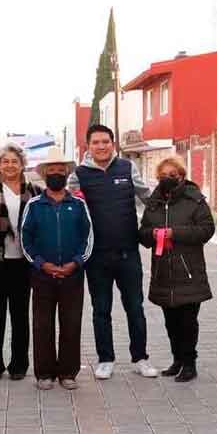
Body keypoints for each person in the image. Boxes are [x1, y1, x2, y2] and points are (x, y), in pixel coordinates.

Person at [67, 124, 154, 380]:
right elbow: (69, 203)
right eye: (96, 142)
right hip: (96, 256)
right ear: (88, 146)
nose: (101, 146)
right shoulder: (79, 175)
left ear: (113, 143)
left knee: (135, 308)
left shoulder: (127, 168)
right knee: (101, 309)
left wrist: (176, 200)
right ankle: (105, 359)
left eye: (106, 141)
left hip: (128, 252)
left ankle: (140, 358)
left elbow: (148, 197)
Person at [137, 156, 215, 383]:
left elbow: (206, 230)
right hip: (163, 273)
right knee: (171, 321)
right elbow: (142, 233)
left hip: (189, 272)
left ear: (182, 177)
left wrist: (175, 233)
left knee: (188, 321)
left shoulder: (195, 200)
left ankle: (190, 363)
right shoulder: (153, 203)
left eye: (173, 176)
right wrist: (151, 234)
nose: (168, 180)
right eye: (163, 176)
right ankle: (177, 360)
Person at [21, 149, 94, 390]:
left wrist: (76, 262)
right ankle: (44, 373)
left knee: (71, 324)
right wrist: (43, 264)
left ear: (66, 174)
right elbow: (25, 239)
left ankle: (68, 373)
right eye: (51, 171)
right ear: (44, 175)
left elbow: (89, 237)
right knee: (42, 324)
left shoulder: (79, 204)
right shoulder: (34, 205)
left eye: (59, 171)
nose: (55, 174)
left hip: (73, 274)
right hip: (42, 276)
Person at [0, 144, 42, 381]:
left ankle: (19, 365)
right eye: (5, 162)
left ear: (22, 164)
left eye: (15, 161)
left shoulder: (34, 190)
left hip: (24, 262)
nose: (10, 165)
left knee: (21, 315)